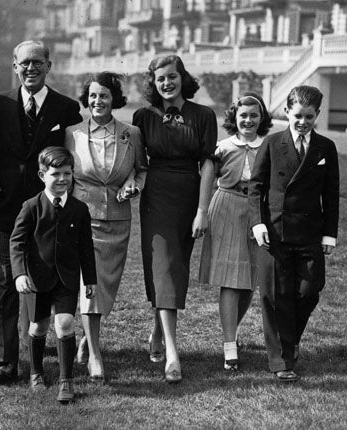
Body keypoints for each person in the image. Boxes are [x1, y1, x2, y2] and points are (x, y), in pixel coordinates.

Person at [0, 40, 82, 383]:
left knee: (49, 280)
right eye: (25, 63)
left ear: (49, 66)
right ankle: (5, 357)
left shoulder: (66, 108)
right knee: (4, 282)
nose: (31, 68)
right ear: (15, 66)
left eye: (38, 62)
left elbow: (71, 159)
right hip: (3, 209)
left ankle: (41, 346)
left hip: (47, 213)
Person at [133, 55, 217, 383]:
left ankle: (157, 330)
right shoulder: (143, 116)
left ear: (182, 77)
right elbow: (136, 161)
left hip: (189, 199)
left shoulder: (204, 115)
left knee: (174, 269)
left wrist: (202, 211)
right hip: (156, 199)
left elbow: (208, 164)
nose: (166, 83)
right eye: (160, 79)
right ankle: (171, 351)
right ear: (153, 84)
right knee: (163, 267)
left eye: (172, 76)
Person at [248, 85, 340, 382]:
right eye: (298, 115)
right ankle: (281, 361)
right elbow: (256, 188)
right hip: (274, 232)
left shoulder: (326, 148)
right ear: (287, 112)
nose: (303, 122)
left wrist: (329, 235)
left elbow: (332, 194)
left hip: (310, 233)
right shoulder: (273, 144)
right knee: (275, 296)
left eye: (309, 116)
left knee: (309, 290)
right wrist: (258, 223)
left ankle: (289, 340)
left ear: (317, 116)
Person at [65, 72, 148, 381]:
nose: (97, 101)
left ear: (115, 100)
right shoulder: (72, 133)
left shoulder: (132, 133)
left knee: (106, 288)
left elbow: (141, 170)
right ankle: (95, 356)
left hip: (117, 219)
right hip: (81, 218)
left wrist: (133, 185)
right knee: (90, 285)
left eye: (104, 96)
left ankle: (87, 339)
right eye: (93, 96)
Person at [10, 146, 97, 403]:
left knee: (66, 323)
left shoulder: (80, 209)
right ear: (42, 175)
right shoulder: (31, 207)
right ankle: (36, 373)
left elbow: (86, 248)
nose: (62, 179)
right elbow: (17, 243)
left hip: (67, 279)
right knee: (39, 326)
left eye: (67, 174)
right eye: (56, 174)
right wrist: (19, 274)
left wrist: (89, 279)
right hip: (37, 279)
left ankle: (65, 380)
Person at [198, 92, 273, 371]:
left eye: (254, 115)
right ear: (234, 118)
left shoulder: (269, 146)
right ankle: (230, 346)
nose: (248, 120)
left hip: (257, 213)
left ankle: (236, 330)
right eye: (243, 115)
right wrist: (202, 213)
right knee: (230, 280)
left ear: (262, 118)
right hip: (226, 208)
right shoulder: (223, 147)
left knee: (250, 280)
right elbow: (207, 178)